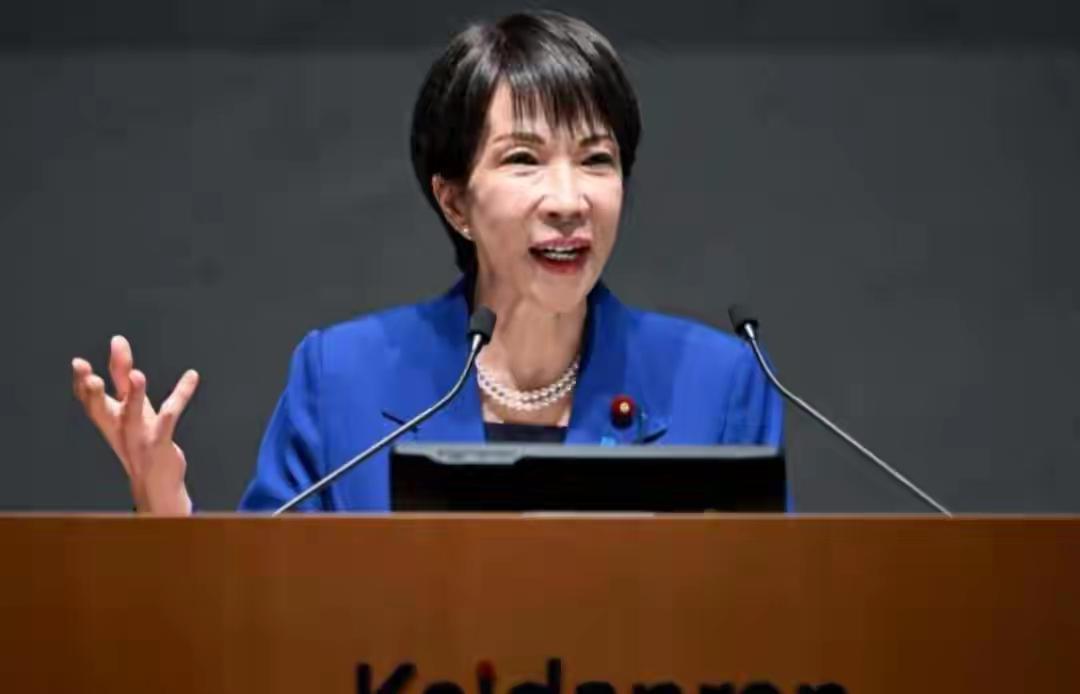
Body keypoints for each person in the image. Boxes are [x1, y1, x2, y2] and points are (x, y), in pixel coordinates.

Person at [70, 11, 783, 515]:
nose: (569, 201)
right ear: (454, 201)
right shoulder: (342, 378)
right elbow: (262, 617)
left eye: (597, 160)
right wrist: (166, 512)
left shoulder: (721, 386)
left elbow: (766, 619)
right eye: (524, 159)